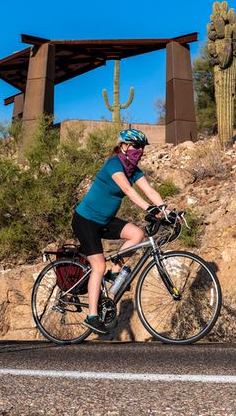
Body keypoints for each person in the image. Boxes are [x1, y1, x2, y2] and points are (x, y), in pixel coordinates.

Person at [72, 129, 170, 335]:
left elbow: (150, 191)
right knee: (98, 266)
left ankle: (116, 270)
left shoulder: (133, 169)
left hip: (105, 220)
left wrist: (167, 211)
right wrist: (149, 209)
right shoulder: (114, 164)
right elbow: (128, 190)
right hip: (86, 220)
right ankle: (92, 316)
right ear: (124, 146)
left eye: (142, 147)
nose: (139, 151)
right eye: (136, 146)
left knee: (137, 234)